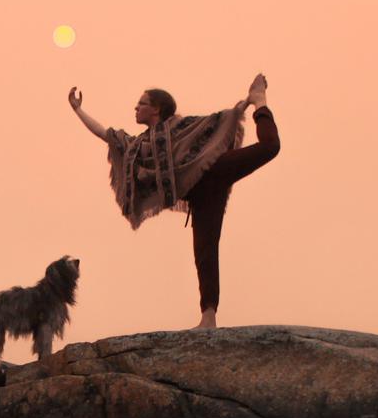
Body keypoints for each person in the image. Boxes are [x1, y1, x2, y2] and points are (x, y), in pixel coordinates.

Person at [68, 74, 282, 329]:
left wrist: (246, 103)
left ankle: (261, 101)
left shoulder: (183, 127)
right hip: (200, 195)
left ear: (156, 109)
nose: (136, 108)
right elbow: (106, 134)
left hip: (214, 170)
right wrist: (78, 109)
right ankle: (208, 317)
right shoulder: (139, 146)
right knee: (205, 252)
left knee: (270, 147)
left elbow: (219, 122)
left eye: (142, 103)